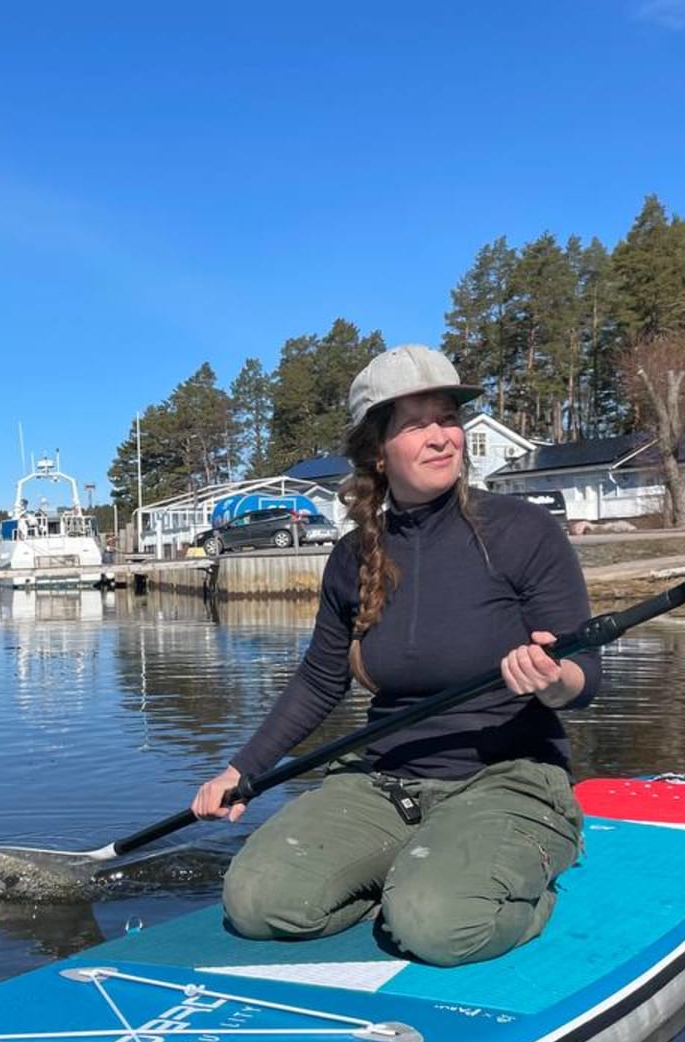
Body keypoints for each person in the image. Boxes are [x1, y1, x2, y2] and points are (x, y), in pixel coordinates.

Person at [191, 344, 599, 968]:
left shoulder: (522, 530)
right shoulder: (353, 556)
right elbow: (320, 680)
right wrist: (240, 769)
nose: (441, 438)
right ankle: (409, 872)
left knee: (437, 926)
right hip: (385, 777)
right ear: (377, 452)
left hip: (507, 776)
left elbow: (582, 674)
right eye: (415, 425)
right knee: (257, 902)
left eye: (447, 419)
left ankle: (511, 876)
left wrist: (553, 679)